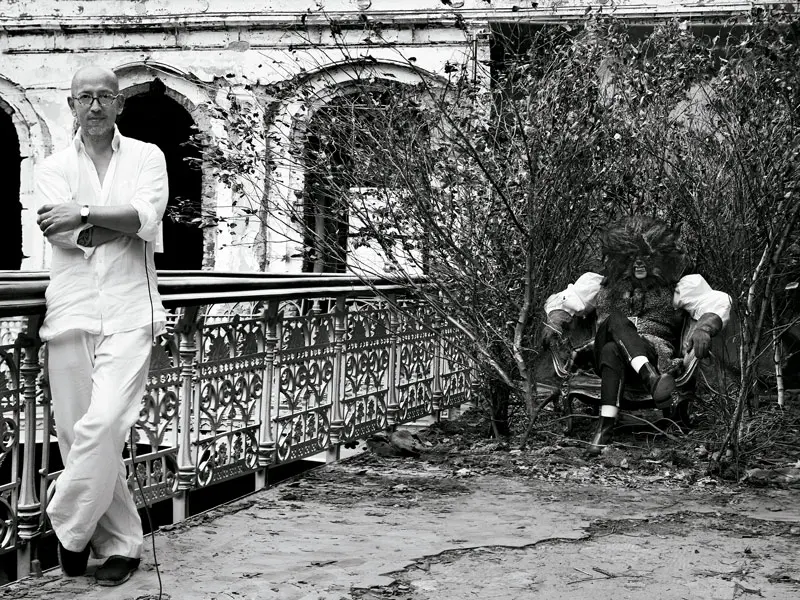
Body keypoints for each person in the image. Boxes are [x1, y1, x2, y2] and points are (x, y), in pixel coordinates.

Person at [35, 65, 168, 586]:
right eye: (85, 97)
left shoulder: (147, 156)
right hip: (70, 310)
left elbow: (147, 217)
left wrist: (87, 212)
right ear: (72, 105)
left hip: (131, 310)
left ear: (119, 104)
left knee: (107, 424)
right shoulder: (52, 167)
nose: (95, 105)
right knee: (77, 436)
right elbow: (66, 236)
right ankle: (119, 544)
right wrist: (120, 220)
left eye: (105, 96)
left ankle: (66, 525)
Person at [541, 216, 731, 455]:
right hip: (597, 356)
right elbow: (566, 301)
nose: (639, 263)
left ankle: (604, 429)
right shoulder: (600, 285)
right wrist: (555, 322)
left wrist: (704, 328)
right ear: (620, 258)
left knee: (612, 349)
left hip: (652, 352)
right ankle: (651, 379)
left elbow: (713, 301)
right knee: (614, 321)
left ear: (660, 258)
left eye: (647, 257)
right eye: (631, 257)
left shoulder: (678, 288)